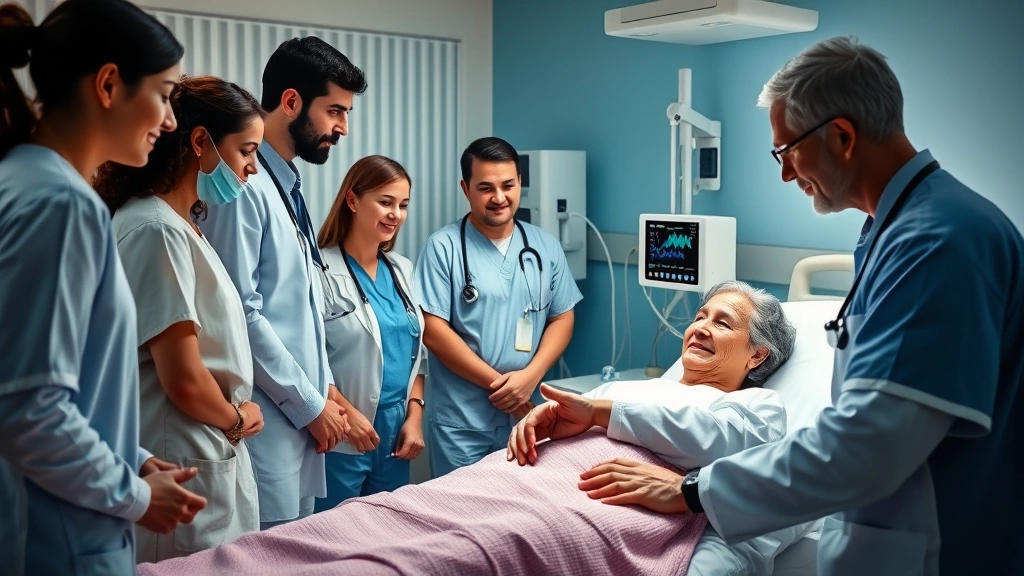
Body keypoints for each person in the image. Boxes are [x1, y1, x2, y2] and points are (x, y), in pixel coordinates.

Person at [565, 37, 1024, 575]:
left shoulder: (939, 242)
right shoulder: (894, 232)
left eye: (786, 152)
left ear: (842, 136)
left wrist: (690, 491)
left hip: (936, 551)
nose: (785, 173)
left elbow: (870, 445)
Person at [0, 1, 208, 574]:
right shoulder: (57, 205)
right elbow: (27, 408)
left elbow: (56, 387)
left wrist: (133, 461)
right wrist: (137, 496)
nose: (170, 121)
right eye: (165, 95)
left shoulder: (28, 182)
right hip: (56, 544)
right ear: (110, 84)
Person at [508, 281, 811, 576]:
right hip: (520, 485)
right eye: (700, 317)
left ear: (757, 355)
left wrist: (602, 412)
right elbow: (566, 421)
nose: (700, 328)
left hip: (579, 509)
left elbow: (719, 440)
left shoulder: (756, 403)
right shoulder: (620, 390)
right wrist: (536, 424)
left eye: (723, 324)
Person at [94, 76, 267, 561]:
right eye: (246, 150)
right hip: (184, 450)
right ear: (200, 143)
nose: (252, 167)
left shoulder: (178, 223)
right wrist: (236, 419)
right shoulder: (156, 229)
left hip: (203, 448)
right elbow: (184, 377)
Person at [197, 36, 367, 529]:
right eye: (335, 111)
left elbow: (296, 310)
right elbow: (239, 314)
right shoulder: (243, 189)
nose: (343, 128)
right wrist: (310, 402)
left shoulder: (286, 184)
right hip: (268, 428)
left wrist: (326, 388)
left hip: (299, 424)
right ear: (291, 102)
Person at [415, 136, 583, 478]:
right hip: (461, 421)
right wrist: (503, 386)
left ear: (520, 182)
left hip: (523, 419)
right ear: (465, 188)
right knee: (460, 518)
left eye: (508, 184)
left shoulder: (544, 246)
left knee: (512, 520)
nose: (499, 197)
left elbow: (563, 316)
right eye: (485, 187)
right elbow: (433, 331)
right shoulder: (443, 247)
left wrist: (530, 378)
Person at [313, 155, 428, 511]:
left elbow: (416, 356)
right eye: (385, 202)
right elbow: (308, 359)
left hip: (396, 432)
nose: (396, 214)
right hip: (345, 428)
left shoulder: (403, 270)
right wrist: (349, 418)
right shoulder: (319, 270)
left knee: (386, 537)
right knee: (333, 541)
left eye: (403, 205)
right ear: (352, 200)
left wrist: (415, 416)